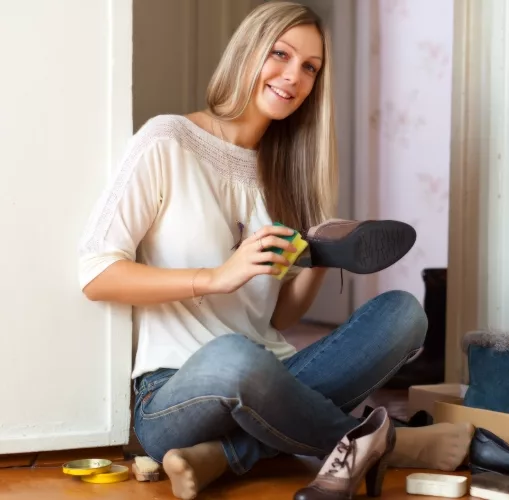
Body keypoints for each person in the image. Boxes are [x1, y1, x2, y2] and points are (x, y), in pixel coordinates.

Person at [78, 2, 472, 499]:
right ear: (248, 52)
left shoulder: (286, 177)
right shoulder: (168, 141)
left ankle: (225, 454)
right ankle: (397, 445)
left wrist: (321, 258)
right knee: (235, 359)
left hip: (274, 372)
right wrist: (217, 276)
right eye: (280, 55)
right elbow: (96, 273)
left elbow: (278, 317)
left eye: (310, 68)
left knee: (404, 315)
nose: (294, 77)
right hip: (176, 392)